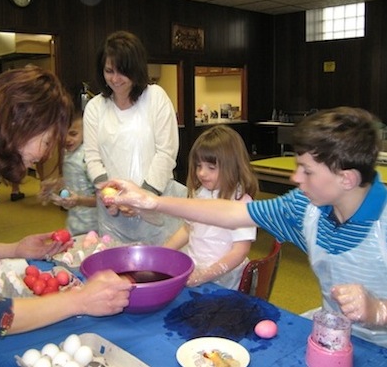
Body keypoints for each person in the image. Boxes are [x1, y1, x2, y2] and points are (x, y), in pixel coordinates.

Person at [101, 106, 387, 347]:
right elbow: (230, 213)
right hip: (332, 334)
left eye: (307, 171)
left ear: (346, 179)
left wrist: (378, 311)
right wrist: (152, 201)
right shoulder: (306, 208)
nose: (295, 178)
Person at [0, 66, 132, 341]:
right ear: (21, 125)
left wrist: (15, 249)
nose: (44, 155)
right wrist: (81, 301)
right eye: (46, 141)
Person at [83, 30, 185, 245]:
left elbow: (166, 153)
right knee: (117, 268)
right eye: (109, 71)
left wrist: (142, 197)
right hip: (112, 209)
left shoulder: (155, 98)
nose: (115, 79)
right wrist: (108, 195)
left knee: (159, 267)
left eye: (122, 71)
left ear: (136, 69)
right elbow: (92, 157)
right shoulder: (95, 107)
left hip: (154, 203)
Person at [164, 125, 258, 289]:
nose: (201, 173)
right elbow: (188, 229)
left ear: (232, 167)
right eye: (199, 166)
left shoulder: (241, 203)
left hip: (226, 280)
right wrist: (163, 251)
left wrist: (205, 275)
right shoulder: (200, 194)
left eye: (211, 167)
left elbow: (239, 251)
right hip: (197, 270)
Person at [39, 111, 98, 236]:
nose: (67, 139)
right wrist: (56, 185)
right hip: (74, 222)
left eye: (73, 134)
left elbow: (103, 199)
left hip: (93, 226)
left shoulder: (89, 158)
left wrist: (79, 201)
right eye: (62, 134)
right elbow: (76, 179)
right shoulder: (68, 153)